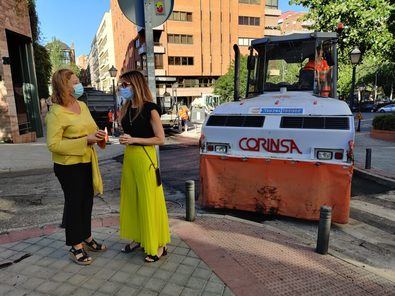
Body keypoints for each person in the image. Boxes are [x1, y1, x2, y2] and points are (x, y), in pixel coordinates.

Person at [46, 69, 107, 265]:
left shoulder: (81, 104)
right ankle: (76, 246)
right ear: (64, 86)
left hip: (87, 161)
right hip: (68, 167)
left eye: (77, 81)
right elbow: (53, 145)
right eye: (74, 82)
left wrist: (99, 136)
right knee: (74, 204)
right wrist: (84, 140)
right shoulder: (56, 112)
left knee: (86, 202)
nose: (78, 85)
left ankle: (87, 238)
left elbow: (91, 128)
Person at [118, 70, 170, 263]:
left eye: (125, 85)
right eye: (120, 85)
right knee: (134, 200)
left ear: (135, 85)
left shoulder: (151, 108)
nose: (121, 89)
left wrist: (133, 139)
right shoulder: (126, 108)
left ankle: (159, 244)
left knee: (150, 200)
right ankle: (140, 237)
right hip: (130, 158)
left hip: (146, 159)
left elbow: (161, 139)